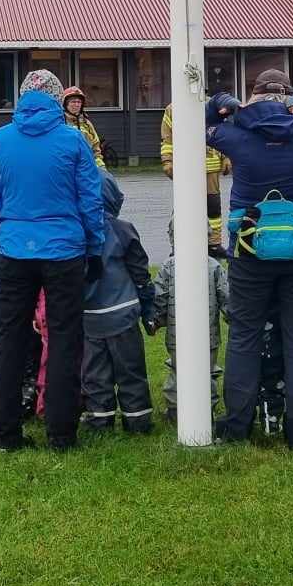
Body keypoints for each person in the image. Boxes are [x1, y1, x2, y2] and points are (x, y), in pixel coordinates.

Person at [206, 67, 293, 449]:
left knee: (245, 335)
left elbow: (199, 121)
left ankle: (237, 424)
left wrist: (223, 102)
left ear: (252, 95)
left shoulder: (236, 136)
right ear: (286, 96)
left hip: (251, 250)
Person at [0, 68, 108, 453]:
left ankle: (6, 433)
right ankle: (61, 433)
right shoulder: (73, 140)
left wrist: (3, 232)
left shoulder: (1, 139)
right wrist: (94, 246)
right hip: (64, 251)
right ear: (56, 99)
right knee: (66, 340)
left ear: (22, 98)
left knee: (11, 340)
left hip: (15, 250)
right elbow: (90, 199)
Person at [81, 173, 159, 433]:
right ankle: (137, 420)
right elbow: (140, 274)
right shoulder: (123, 229)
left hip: (88, 316)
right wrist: (149, 311)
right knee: (131, 370)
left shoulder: (75, 231)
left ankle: (99, 419)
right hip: (123, 314)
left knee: (94, 372)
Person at [157, 225, 227, 421]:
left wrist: (155, 319)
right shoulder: (213, 266)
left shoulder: (169, 266)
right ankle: (207, 407)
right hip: (209, 335)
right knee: (208, 371)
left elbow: (159, 297)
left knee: (178, 370)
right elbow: (227, 297)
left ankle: (175, 408)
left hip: (176, 334)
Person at [160, 101, 227, 244]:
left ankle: (214, 243)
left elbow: (223, 133)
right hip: (186, 169)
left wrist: (227, 156)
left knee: (213, 207)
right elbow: (167, 138)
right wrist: (167, 161)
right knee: (184, 206)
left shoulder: (212, 106)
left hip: (211, 168)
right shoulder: (173, 109)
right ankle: (179, 244)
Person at [63, 85, 106, 169]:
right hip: (67, 166)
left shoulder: (87, 123)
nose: (76, 104)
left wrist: (101, 167)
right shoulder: (60, 122)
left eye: (79, 102)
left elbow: (95, 147)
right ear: (65, 104)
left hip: (87, 166)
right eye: (73, 102)